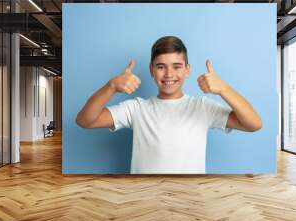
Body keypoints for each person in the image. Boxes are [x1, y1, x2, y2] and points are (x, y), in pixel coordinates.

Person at [76, 36, 262, 174]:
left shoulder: (202, 107)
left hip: (190, 202)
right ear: (151, 70)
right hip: (143, 200)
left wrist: (224, 89)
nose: (168, 74)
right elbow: (85, 120)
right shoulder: (136, 108)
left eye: (177, 66)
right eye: (161, 66)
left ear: (187, 70)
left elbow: (254, 124)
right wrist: (111, 86)